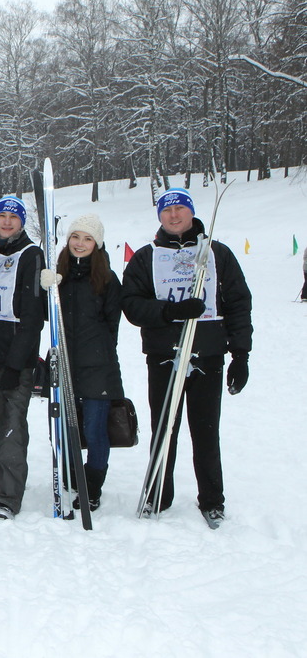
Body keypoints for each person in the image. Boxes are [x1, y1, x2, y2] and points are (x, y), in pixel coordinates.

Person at [121, 187, 252, 529]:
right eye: (167, 210)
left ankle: (212, 499)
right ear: (160, 216)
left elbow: (238, 303)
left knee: (206, 431)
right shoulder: (146, 257)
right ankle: (158, 493)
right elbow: (132, 305)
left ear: (191, 213)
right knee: (165, 428)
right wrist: (170, 311)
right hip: (165, 356)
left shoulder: (217, 254)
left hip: (207, 355)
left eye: (181, 209)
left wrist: (241, 354)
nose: (174, 215)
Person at [41, 213, 123, 513]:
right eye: (76, 236)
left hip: (97, 367)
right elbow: (47, 316)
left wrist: (97, 353)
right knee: (64, 426)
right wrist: (46, 288)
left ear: (97, 244)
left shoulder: (107, 279)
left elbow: (112, 325)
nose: (80, 243)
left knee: (95, 428)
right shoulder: (59, 273)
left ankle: (93, 486)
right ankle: (74, 477)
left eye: (87, 238)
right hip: (65, 363)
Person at [0, 196, 45, 520]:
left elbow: (33, 317)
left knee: (12, 428)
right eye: (1, 216)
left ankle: (8, 495)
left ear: (21, 222)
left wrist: (17, 364)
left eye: (12, 218)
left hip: (17, 360)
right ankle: (1, 478)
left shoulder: (31, 255)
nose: (6, 222)